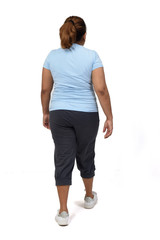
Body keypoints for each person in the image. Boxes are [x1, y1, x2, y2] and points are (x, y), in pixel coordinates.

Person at [41, 16, 113, 226]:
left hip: (59, 114)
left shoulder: (52, 56)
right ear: (84, 35)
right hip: (86, 114)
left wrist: (45, 112)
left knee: (63, 158)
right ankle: (89, 196)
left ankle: (63, 212)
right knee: (85, 153)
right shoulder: (92, 56)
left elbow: (46, 89)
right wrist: (109, 116)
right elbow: (101, 90)